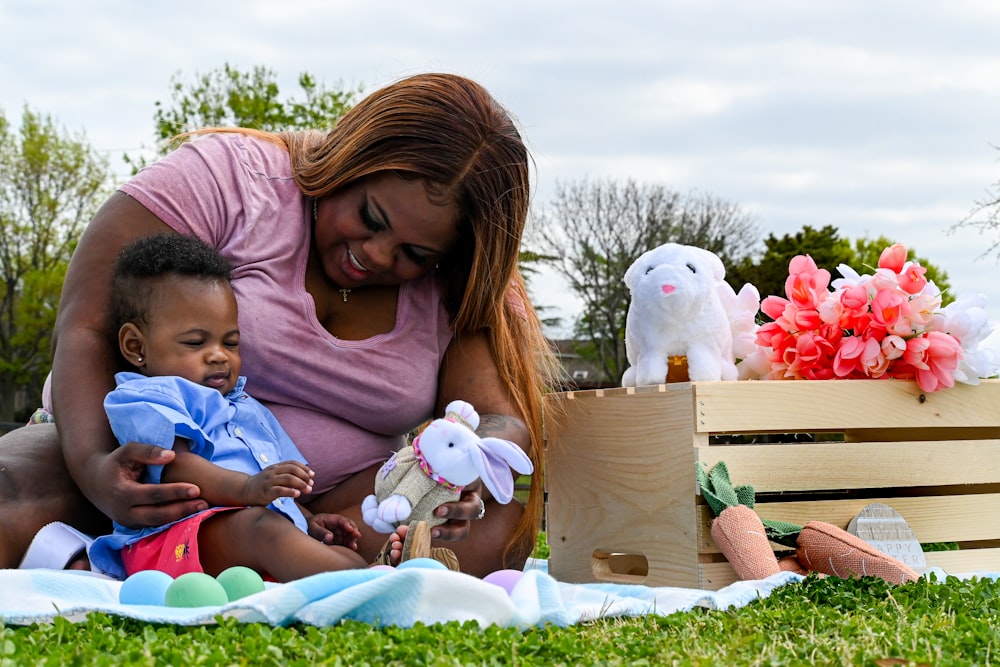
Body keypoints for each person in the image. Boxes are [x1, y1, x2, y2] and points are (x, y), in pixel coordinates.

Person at [0, 72, 558, 577]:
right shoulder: (230, 178)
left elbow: (496, 420)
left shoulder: (463, 280)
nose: (374, 255)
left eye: (412, 252)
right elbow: (88, 323)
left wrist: (460, 472)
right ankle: (158, 544)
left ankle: (258, 555)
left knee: (494, 527)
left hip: (333, 507)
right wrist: (98, 466)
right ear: (350, 159)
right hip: (142, 465)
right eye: (369, 218)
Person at [86, 233, 411, 580]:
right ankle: (366, 583)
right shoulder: (146, 396)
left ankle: (365, 571)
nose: (218, 355)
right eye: (196, 342)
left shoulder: (246, 407)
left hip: (243, 533)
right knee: (261, 529)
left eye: (231, 342)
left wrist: (306, 520)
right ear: (136, 345)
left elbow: (270, 478)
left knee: (287, 534)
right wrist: (248, 489)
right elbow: (175, 465)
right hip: (170, 541)